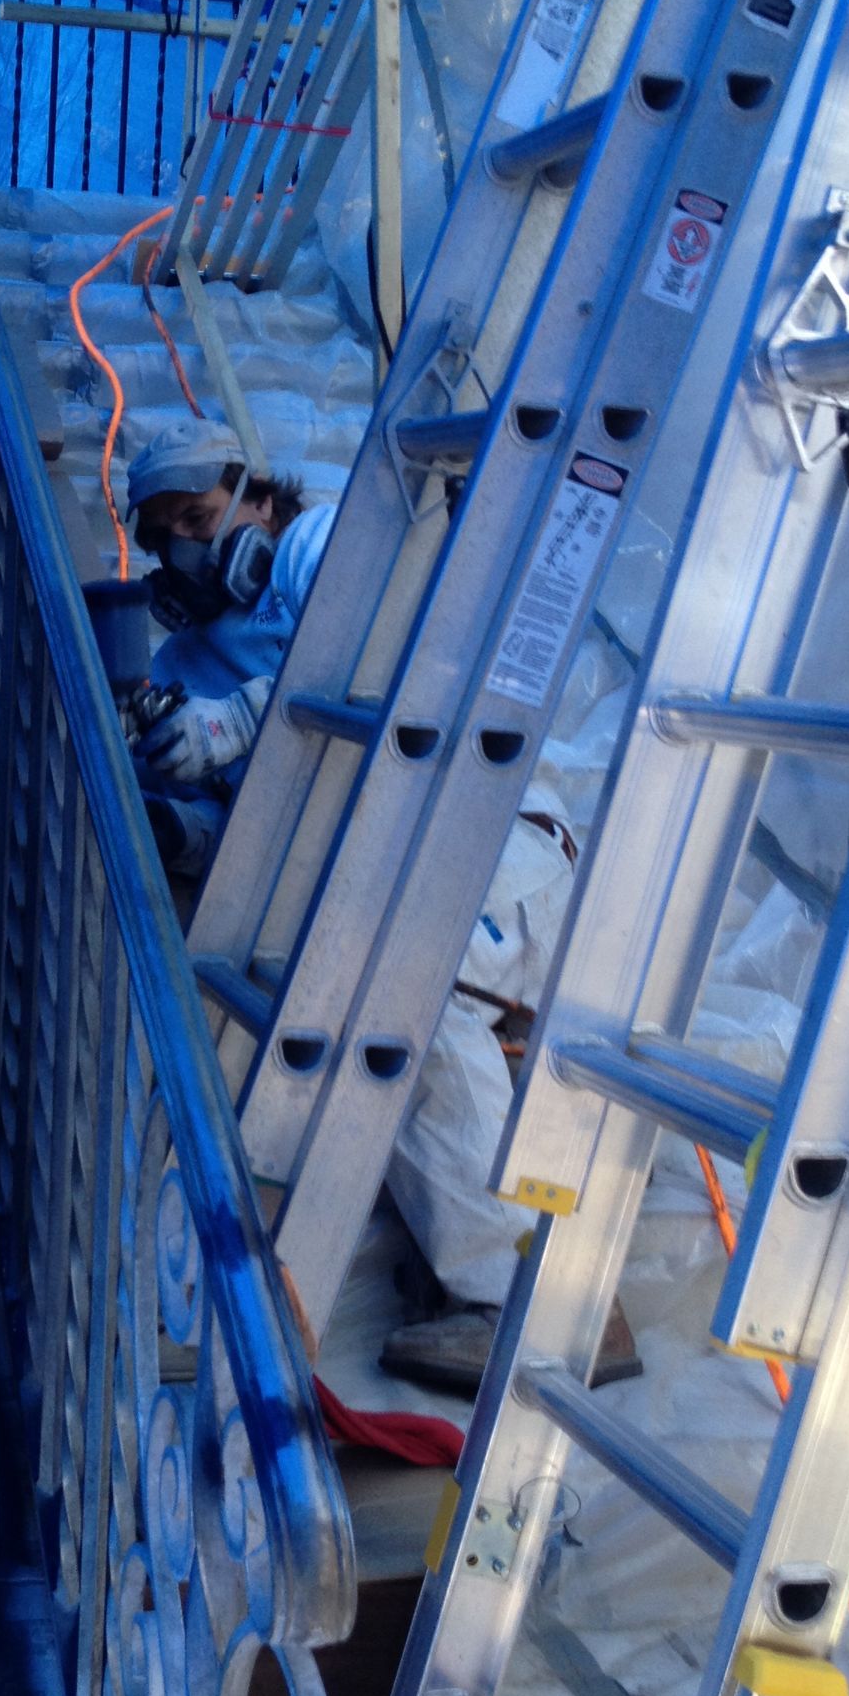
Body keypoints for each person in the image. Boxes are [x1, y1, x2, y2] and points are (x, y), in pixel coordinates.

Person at [125, 417, 637, 1398]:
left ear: (255, 499)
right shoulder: (181, 667)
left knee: (399, 988)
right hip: (381, 889)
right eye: (166, 539)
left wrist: (244, 722)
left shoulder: (326, 549)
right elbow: (236, 822)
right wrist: (182, 825)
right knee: (370, 983)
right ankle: (497, 1279)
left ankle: (516, 1304)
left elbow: (412, 656)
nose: (189, 551)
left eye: (199, 519)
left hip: (488, 856)